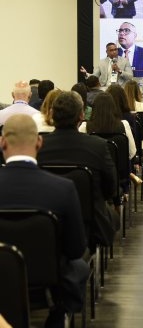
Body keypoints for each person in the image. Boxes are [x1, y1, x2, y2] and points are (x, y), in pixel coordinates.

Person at [0, 114, 89, 325]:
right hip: (48, 283)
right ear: (39, 141)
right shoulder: (63, 189)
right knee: (80, 267)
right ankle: (59, 317)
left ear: (2, 142)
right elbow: (76, 249)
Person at [37, 91, 119, 248]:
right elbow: (111, 188)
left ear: (52, 114)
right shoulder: (98, 146)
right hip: (90, 224)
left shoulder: (38, 147)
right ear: (81, 115)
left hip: (46, 222)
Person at [79, 92, 137, 161]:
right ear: (113, 108)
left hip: (93, 170)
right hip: (118, 170)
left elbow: (79, 152)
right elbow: (132, 152)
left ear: (94, 108)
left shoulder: (84, 127)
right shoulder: (124, 125)